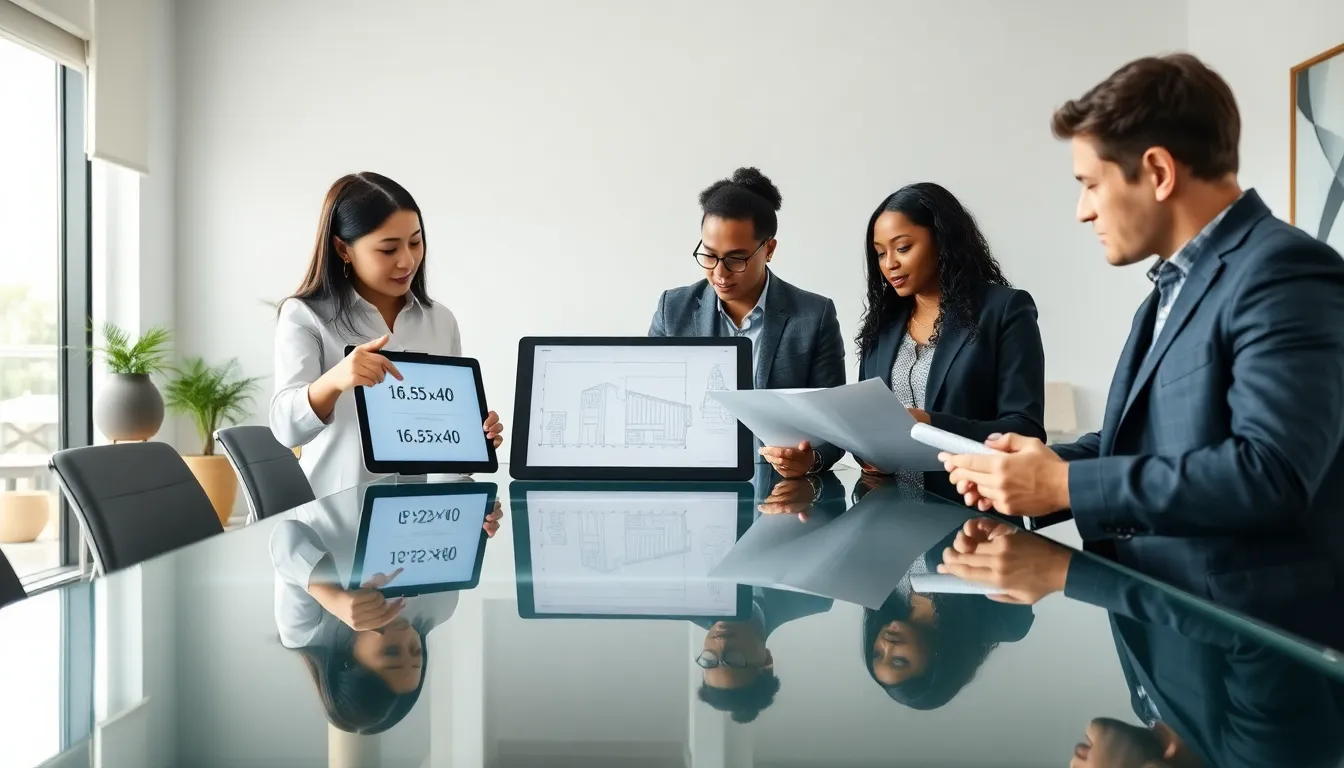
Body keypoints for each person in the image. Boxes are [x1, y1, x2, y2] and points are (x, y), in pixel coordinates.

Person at [938, 54, 1344, 622]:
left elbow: (1269, 473)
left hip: (1252, 661)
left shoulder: (1286, 271)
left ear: (1157, 172)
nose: (1082, 211)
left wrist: (1066, 485)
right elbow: (1145, 443)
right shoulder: (1164, 291)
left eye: (1090, 184)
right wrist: (1040, 465)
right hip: (1173, 642)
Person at [270, 173, 504, 499]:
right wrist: (336, 379)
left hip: (416, 525)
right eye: (388, 249)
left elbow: (449, 461)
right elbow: (285, 429)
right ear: (343, 248)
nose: (407, 260)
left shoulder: (440, 321)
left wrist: (473, 441)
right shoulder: (305, 316)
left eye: (415, 241)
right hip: (335, 528)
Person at [649, 167, 846, 478]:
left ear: (768, 249)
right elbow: (654, 395)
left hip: (781, 495)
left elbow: (836, 428)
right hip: (695, 484)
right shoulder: (673, 310)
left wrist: (811, 461)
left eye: (736, 259)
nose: (720, 273)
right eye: (709, 255)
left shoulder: (813, 316)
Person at [854, 183, 1046, 497]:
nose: (890, 264)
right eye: (880, 253)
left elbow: (1025, 430)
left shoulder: (1004, 310)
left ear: (942, 240)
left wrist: (930, 423)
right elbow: (863, 424)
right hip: (887, 519)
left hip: (968, 515)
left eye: (902, 248)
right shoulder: (883, 324)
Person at [269, 489, 503, 733]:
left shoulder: (305, 633)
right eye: (416, 652)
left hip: (335, 475)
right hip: (409, 462)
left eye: (391, 652)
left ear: (348, 663)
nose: (407, 638)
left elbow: (286, 536)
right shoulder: (439, 606)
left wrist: (333, 597)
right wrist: (476, 516)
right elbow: (446, 508)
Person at [692, 586, 833, 724]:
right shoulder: (814, 595)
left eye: (709, 660)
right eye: (734, 660)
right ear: (766, 660)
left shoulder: (686, 600)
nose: (721, 643)